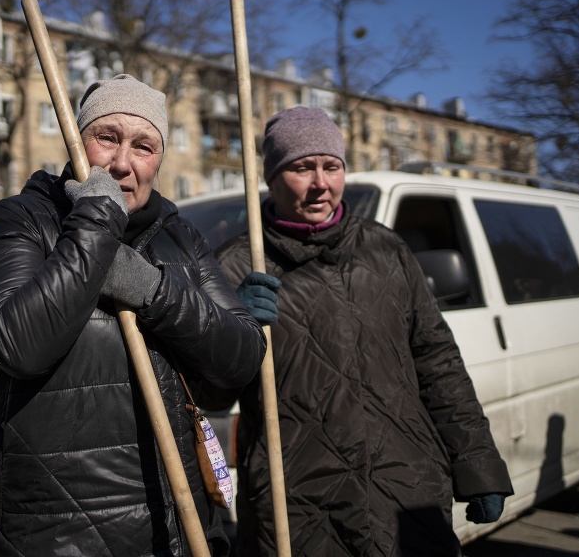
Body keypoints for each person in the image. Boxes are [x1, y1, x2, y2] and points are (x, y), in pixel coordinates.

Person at [0, 74, 266, 556]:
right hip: (63, 535)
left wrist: (151, 289)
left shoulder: (180, 238)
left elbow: (239, 361)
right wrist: (95, 225)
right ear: (76, 139)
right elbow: (17, 347)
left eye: (144, 146)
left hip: (179, 528)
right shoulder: (24, 219)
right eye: (106, 138)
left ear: (160, 159)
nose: (123, 163)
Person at [215, 106, 514, 556]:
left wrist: (478, 465)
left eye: (331, 166)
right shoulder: (237, 266)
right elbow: (208, 397)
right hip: (300, 507)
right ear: (272, 177)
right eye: (301, 168)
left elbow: (438, 363)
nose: (321, 183)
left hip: (406, 490)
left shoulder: (385, 249)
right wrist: (230, 331)